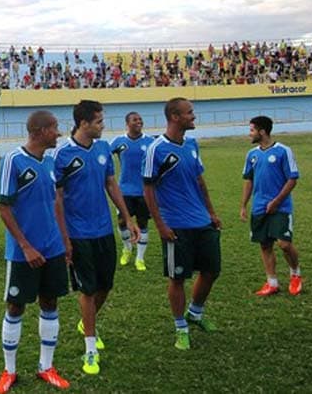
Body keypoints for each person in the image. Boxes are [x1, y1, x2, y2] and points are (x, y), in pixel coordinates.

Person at [54, 100, 139, 375]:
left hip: (104, 230)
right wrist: (64, 237)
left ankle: (85, 322)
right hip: (79, 234)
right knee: (87, 290)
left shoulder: (103, 148)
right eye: (99, 121)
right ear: (83, 123)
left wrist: (127, 217)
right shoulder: (62, 154)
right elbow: (57, 198)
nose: (103, 126)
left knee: (105, 285)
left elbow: (110, 184)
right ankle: (90, 349)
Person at [0, 110, 71, 393]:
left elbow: (54, 203)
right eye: (54, 128)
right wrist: (25, 246)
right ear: (38, 131)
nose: (58, 133)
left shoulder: (50, 161)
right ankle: (9, 371)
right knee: (16, 307)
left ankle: (46, 367)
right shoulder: (13, 160)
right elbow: (3, 208)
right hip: (23, 252)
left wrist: (64, 241)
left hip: (52, 248)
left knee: (50, 303)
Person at [143, 98, 222, 351]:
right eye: (190, 113)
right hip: (176, 225)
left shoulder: (191, 145)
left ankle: (195, 313)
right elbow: (148, 189)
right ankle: (180, 327)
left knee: (211, 271)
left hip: (201, 221)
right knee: (178, 278)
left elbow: (200, 181)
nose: (194, 117)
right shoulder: (157, 149)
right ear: (175, 117)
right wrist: (160, 225)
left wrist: (211, 211)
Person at [239, 116, 302, 296]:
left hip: (280, 207)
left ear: (262, 131)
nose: (249, 133)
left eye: (252, 130)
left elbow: (292, 179)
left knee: (284, 244)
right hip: (259, 208)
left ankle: (295, 274)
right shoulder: (252, 155)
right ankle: (272, 282)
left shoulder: (283, 151)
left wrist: (276, 201)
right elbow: (249, 180)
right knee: (265, 245)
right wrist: (243, 205)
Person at [109, 111, 155, 271]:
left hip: (144, 192)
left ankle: (140, 258)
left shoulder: (150, 142)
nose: (139, 122)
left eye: (140, 119)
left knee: (143, 223)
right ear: (127, 123)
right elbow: (106, 157)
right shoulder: (119, 142)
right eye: (135, 120)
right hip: (124, 191)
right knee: (122, 223)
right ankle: (127, 249)